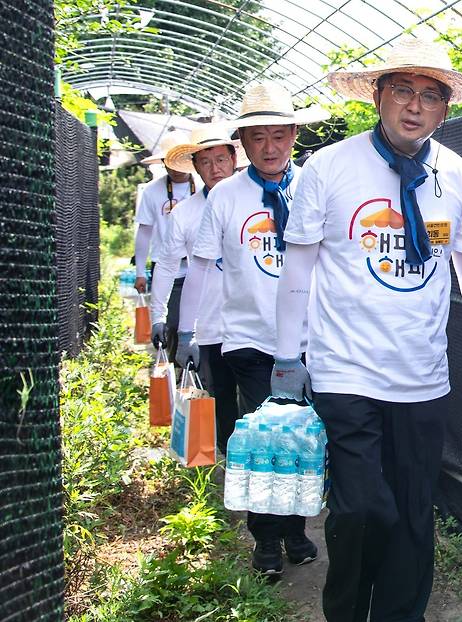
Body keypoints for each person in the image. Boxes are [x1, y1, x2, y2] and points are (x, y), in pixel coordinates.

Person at [271, 37, 462, 622]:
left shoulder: (454, 173)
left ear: (445, 109)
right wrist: (287, 355)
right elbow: (297, 265)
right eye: (403, 89)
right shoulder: (330, 168)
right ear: (378, 95)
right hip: (344, 371)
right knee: (360, 510)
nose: (415, 106)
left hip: (421, 376)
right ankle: (346, 612)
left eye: (431, 96)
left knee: (412, 512)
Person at [174, 82, 330, 575]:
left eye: (278, 136)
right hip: (251, 341)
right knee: (267, 440)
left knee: (305, 440)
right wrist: (187, 334)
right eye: (257, 137)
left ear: (293, 135)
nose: (269, 147)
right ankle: (266, 540)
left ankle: (297, 530)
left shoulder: (316, 185)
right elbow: (199, 268)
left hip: (313, 341)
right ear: (243, 141)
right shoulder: (226, 198)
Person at [150, 124, 240, 454]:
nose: (215, 168)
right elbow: (167, 266)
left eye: (220, 158)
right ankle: (229, 467)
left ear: (233, 158)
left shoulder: (259, 202)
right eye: (206, 161)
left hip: (256, 326)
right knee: (221, 402)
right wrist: (159, 316)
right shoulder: (186, 214)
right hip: (210, 326)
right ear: (195, 166)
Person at [134, 129, 197, 363]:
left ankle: (193, 370)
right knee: (171, 323)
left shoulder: (203, 186)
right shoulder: (152, 192)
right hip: (167, 266)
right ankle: (176, 369)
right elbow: (144, 231)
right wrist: (140, 272)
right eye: (171, 162)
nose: (177, 168)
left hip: (198, 266)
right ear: (164, 163)